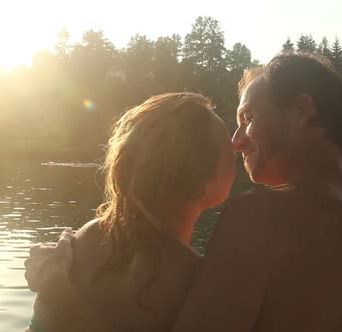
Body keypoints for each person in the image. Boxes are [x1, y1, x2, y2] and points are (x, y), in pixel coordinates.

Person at [27, 53, 342, 332]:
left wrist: (60, 295)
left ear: (302, 113)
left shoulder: (260, 217)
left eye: (248, 118)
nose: (237, 141)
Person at [24, 92, 236, 332]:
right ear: (200, 184)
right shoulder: (198, 282)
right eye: (229, 145)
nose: (238, 144)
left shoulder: (89, 236)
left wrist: (56, 295)